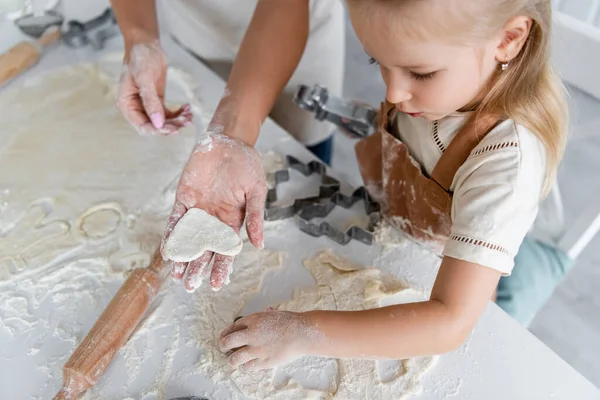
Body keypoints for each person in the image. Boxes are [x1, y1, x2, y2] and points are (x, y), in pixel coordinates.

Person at [213, 0, 567, 371]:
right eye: (376, 61)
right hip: (392, 241)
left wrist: (304, 331)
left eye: (421, 73)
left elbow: (450, 321)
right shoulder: (428, 85)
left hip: (444, 292)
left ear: (508, 39)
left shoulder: (505, 161)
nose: (394, 92)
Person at [111, 0, 344, 163]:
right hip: (196, 29)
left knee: (299, 160)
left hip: (291, 40)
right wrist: (139, 36)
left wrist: (233, 135)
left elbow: (286, 5)